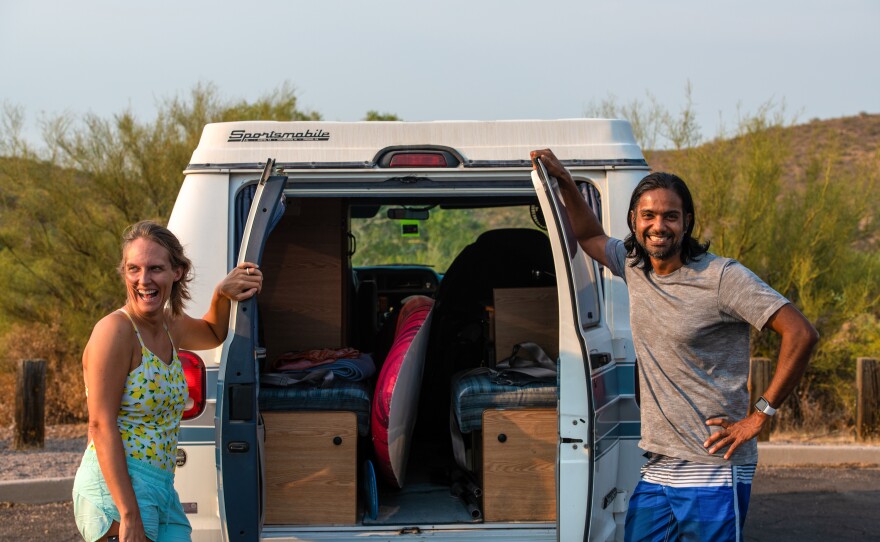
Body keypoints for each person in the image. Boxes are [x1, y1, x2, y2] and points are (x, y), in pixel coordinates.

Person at [531, 149, 818, 542]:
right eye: (648, 215)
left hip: (713, 468)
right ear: (634, 220)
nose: (658, 225)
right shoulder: (632, 264)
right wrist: (564, 180)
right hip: (658, 466)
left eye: (670, 216)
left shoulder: (722, 278)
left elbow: (801, 333)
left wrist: (760, 415)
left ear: (687, 222)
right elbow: (589, 236)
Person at [72, 220, 263, 542]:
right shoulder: (115, 332)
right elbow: (100, 425)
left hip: (160, 485)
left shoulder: (169, 324)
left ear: (178, 272)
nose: (143, 280)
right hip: (117, 489)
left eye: (155, 268)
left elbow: (213, 333)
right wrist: (128, 512)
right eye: (134, 269)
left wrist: (221, 293)